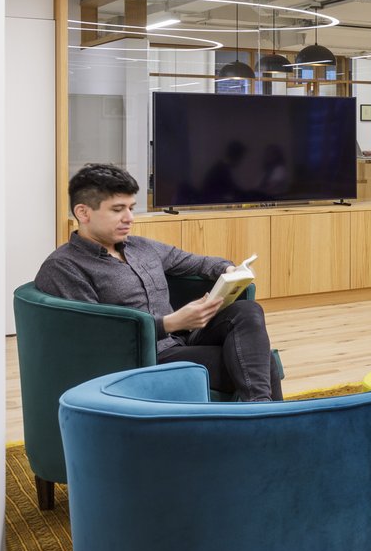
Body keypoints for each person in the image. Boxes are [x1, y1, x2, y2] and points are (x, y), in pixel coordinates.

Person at [34, 163, 281, 401]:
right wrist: (169, 323)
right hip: (144, 357)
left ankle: (260, 414)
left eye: (131, 207)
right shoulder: (64, 267)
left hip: (183, 339)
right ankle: (267, 422)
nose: (129, 218)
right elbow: (95, 336)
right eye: (117, 209)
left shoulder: (141, 247)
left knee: (247, 311)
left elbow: (196, 262)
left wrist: (230, 269)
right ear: (83, 212)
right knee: (262, 362)